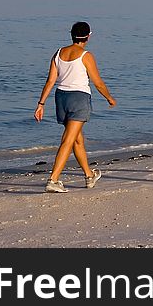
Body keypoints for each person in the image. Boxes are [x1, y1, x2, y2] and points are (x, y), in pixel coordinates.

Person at [34, 21, 116, 193]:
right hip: (79, 99)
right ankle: (53, 180)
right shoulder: (86, 55)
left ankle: (89, 175)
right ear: (88, 36)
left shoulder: (58, 53)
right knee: (68, 140)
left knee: (77, 139)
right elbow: (98, 83)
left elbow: (50, 81)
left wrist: (41, 104)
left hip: (61, 99)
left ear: (71, 34)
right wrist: (109, 98)